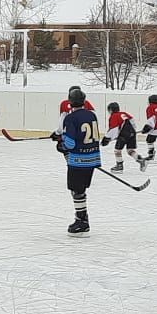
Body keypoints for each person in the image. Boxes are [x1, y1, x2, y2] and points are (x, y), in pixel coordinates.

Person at [57, 87, 101, 235]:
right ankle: (82, 218)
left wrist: (61, 142)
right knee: (81, 189)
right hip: (93, 158)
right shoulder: (91, 115)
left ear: (70, 102)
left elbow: (70, 144)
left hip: (78, 160)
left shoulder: (70, 118)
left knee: (76, 190)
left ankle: (82, 221)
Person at [101, 101, 147, 172]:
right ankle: (141, 160)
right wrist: (132, 132)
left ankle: (119, 166)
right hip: (132, 133)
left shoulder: (113, 116)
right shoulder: (124, 114)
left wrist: (106, 138)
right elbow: (132, 121)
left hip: (123, 135)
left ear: (110, 110)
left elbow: (113, 129)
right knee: (130, 150)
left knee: (117, 150)